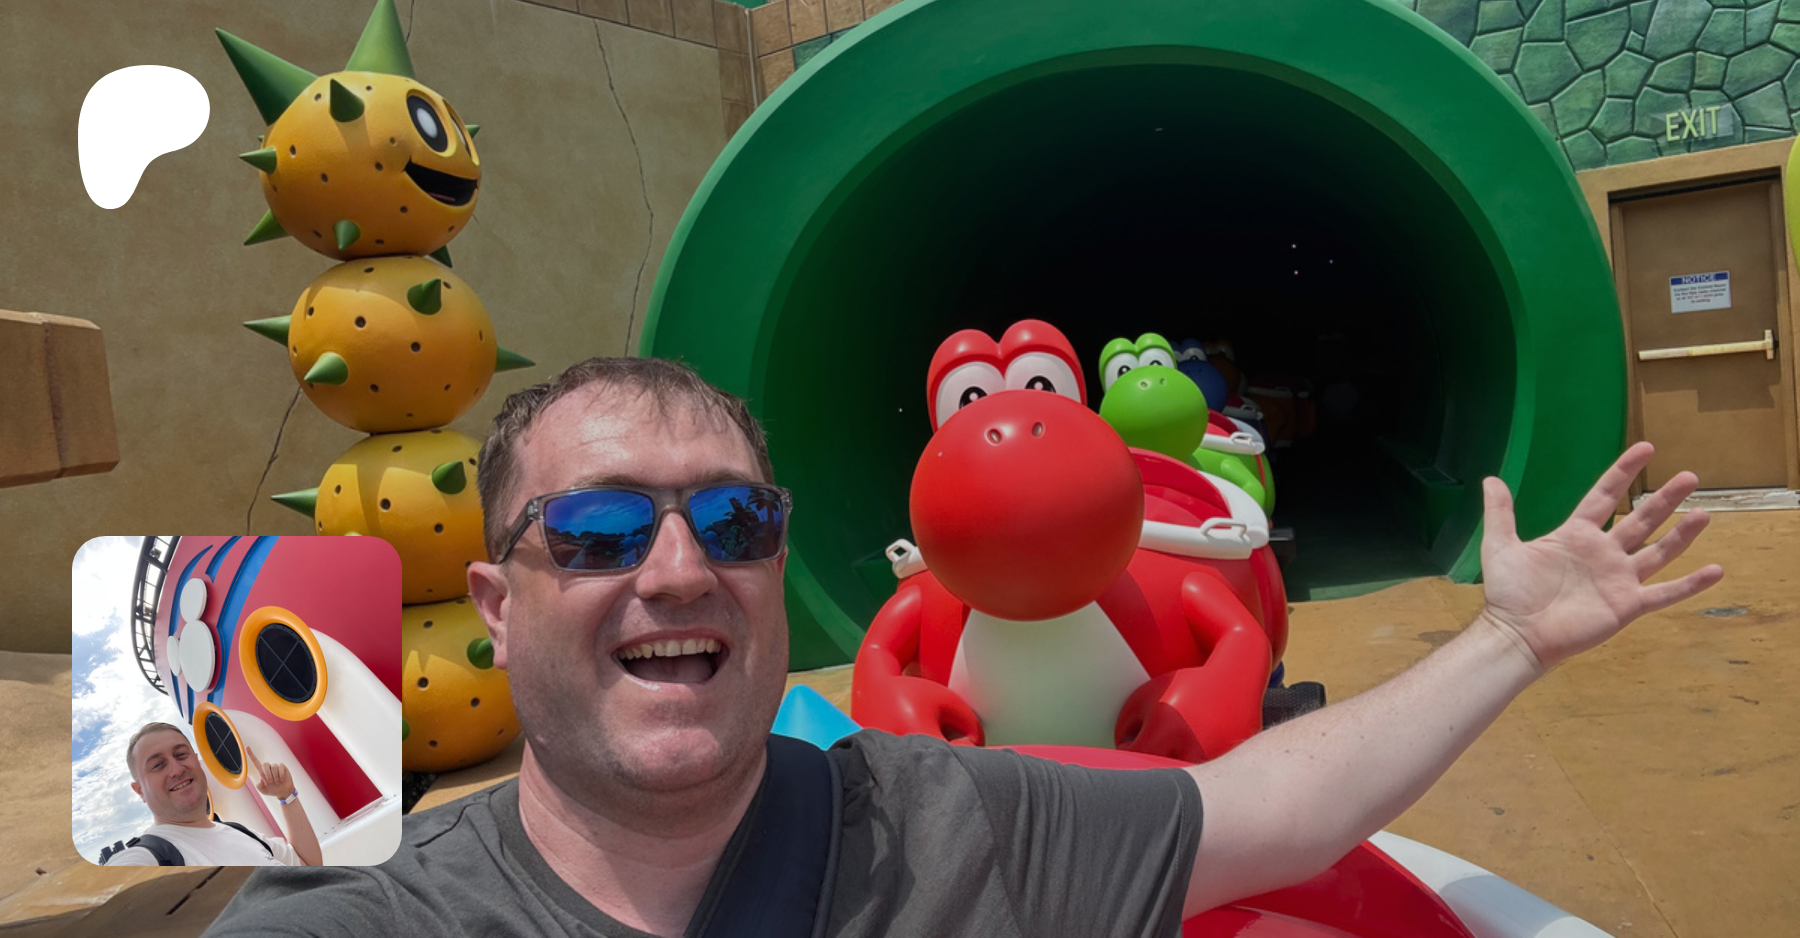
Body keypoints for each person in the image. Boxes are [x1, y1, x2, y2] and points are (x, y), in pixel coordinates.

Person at [203, 357, 1721, 936]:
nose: (678, 570)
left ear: (777, 562)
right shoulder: (363, 915)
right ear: (493, 603)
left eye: (732, 520)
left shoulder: (946, 826)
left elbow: (1271, 807)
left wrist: (1510, 636)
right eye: (598, 531)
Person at [102, 722, 322, 867]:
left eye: (181, 754)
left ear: (197, 761)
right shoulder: (148, 857)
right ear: (139, 790)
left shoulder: (242, 833)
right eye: (158, 765)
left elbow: (309, 866)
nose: (176, 769)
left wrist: (287, 796)